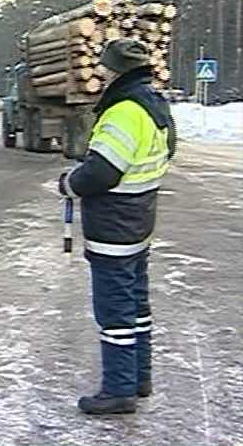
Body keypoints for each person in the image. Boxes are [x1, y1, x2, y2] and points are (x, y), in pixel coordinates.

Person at [58, 38, 176, 415]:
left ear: (115, 72)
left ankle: (119, 389)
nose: (101, 75)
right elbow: (168, 149)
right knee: (136, 304)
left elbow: (102, 172)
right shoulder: (153, 103)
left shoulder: (123, 110)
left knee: (115, 312)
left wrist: (69, 183)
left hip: (114, 226)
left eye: (105, 69)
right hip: (139, 222)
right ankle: (140, 377)